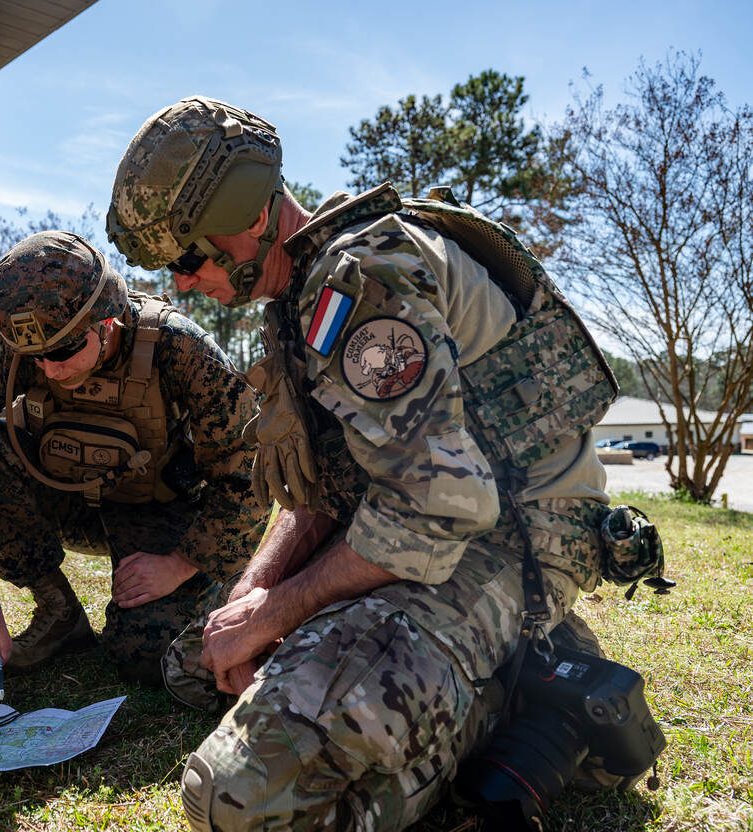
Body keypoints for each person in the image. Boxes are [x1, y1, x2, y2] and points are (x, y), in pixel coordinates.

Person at [108, 96, 617, 831]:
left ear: (253, 218)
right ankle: (459, 672)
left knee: (232, 797)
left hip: (512, 543)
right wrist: (251, 596)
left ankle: (515, 681)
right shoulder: (298, 292)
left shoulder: (366, 281)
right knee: (195, 662)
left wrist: (279, 614)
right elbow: (323, 485)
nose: (183, 283)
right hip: (416, 528)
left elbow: (440, 507)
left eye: (189, 256)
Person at [0, 230, 269, 685]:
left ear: (108, 323)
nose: (49, 368)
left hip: (156, 511)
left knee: (147, 658)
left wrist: (181, 564)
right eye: (33, 356)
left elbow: (247, 471)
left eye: (62, 351)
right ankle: (58, 611)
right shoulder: (25, 342)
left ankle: (211, 592)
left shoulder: (178, 348)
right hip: (66, 502)